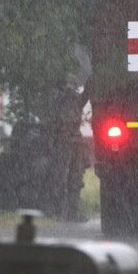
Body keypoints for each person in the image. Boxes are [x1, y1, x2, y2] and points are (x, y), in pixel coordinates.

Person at [45, 76, 90, 221]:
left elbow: (87, 93)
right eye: (68, 86)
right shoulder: (57, 100)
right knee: (60, 177)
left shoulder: (77, 100)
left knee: (76, 178)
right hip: (62, 142)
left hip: (75, 142)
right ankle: (58, 211)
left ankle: (72, 212)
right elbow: (52, 123)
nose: (71, 89)